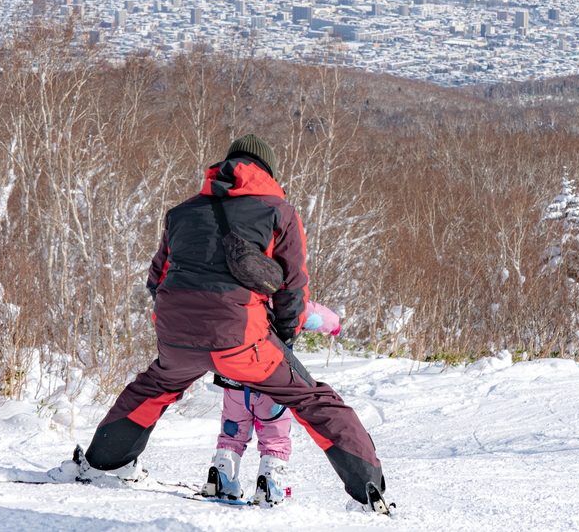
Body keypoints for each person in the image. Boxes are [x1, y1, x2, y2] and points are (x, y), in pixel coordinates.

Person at [48, 134, 391, 514]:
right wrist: (284, 337)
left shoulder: (180, 212)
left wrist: (180, 323)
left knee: (154, 387)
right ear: (268, 171)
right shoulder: (280, 212)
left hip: (176, 333)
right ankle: (370, 490)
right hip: (242, 338)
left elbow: (155, 279)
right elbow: (293, 289)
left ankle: (101, 465)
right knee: (310, 397)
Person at [205, 301, 342, 505]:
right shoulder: (285, 301)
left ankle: (221, 476)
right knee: (274, 434)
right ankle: (269, 483)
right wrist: (335, 326)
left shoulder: (233, 294)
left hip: (234, 379)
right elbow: (319, 317)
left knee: (232, 431)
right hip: (271, 381)